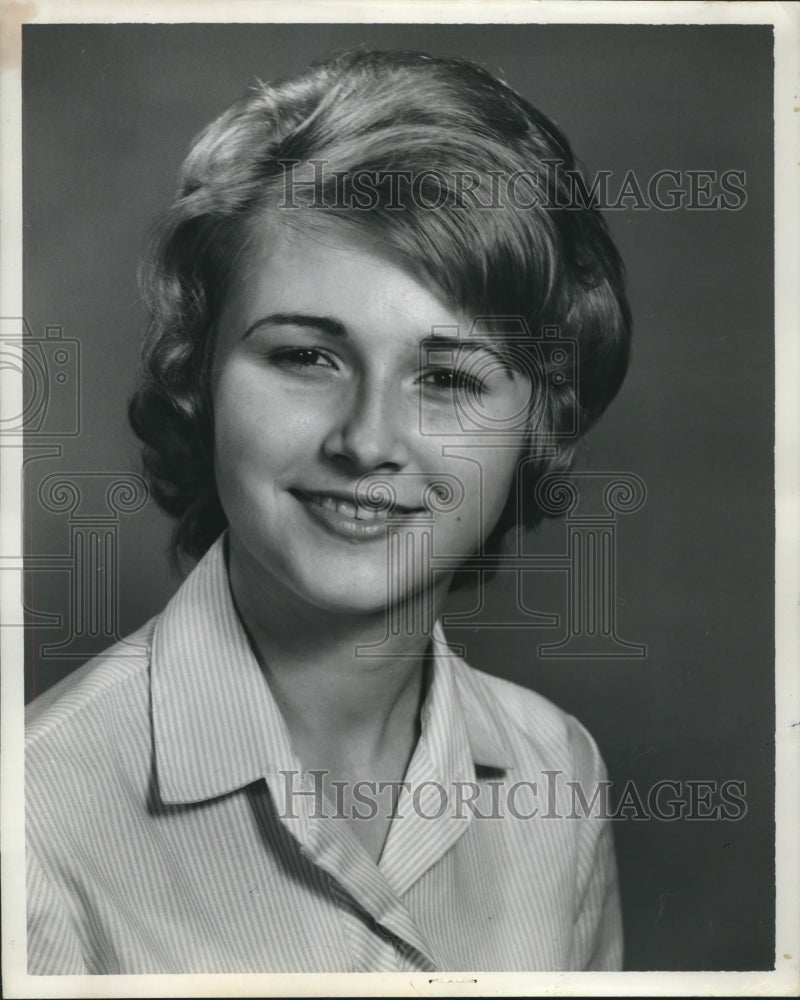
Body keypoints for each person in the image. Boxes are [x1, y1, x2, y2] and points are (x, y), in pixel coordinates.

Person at [26, 49, 631, 974]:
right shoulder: (33, 821)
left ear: (535, 424)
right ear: (199, 378)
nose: (367, 439)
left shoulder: (559, 769)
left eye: (448, 376)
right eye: (307, 357)